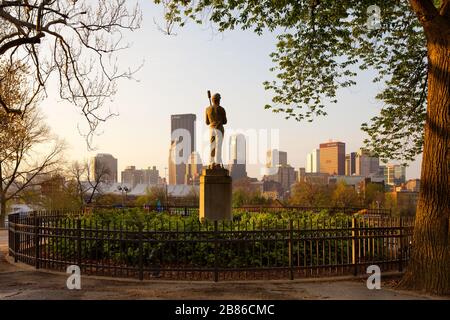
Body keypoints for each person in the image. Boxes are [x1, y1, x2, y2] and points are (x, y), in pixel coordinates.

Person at [205, 93, 227, 168]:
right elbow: (225, 121)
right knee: (218, 146)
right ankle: (217, 163)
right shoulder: (221, 109)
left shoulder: (207, 109)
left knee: (212, 146)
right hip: (219, 128)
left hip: (211, 129)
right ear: (218, 100)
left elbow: (207, 122)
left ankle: (211, 163)